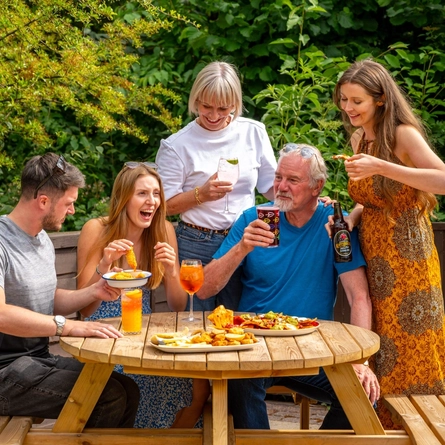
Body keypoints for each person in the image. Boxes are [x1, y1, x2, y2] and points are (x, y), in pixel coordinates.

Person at [196, 143, 380, 429]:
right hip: (253, 346)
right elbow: (204, 289)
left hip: (311, 349)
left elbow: (359, 297)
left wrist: (361, 362)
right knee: (239, 386)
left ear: (317, 187)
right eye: (279, 177)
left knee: (364, 395)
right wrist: (242, 247)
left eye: (293, 180)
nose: (281, 186)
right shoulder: (258, 219)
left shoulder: (333, 225)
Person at [328, 58, 445, 428]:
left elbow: (442, 180)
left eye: (356, 101)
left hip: (409, 260)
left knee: (410, 351)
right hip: (376, 259)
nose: (348, 108)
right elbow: (375, 195)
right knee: (380, 347)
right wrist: (353, 216)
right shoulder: (359, 136)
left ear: (380, 99)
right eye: (344, 99)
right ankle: (380, 430)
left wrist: (382, 166)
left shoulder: (403, 135)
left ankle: (423, 429)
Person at [0, 152, 139, 427]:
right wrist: (70, 327)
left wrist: (95, 291)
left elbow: (48, 299)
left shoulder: (41, 239)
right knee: (107, 396)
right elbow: (1, 314)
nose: (72, 211)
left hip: (36, 361)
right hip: (5, 372)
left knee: (128, 389)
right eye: (69, 203)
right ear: (43, 201)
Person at [77, 161, 210, 428]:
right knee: (163, 382)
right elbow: (85, 308)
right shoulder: (97, 229)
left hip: (142, 332)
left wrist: (172, 271)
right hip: (101, 334)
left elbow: (177, 306)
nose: (152, 201)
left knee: (200, 387)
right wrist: (104, 267)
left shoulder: (163, 231)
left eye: (156, 193)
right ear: (123, 198)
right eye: (142, 194)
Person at [156, 60, 277, 311]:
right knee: (196, 324)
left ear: (235, 103)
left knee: (242, 320)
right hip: (196, 241)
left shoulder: (253, 132)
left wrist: (310, 200)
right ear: (196, 99)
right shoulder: (176, 145)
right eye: (206, 106)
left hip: (244, 237)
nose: (213, 115)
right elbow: (163, 207)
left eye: (223, 108)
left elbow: (271, 187)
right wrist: (201, 194)